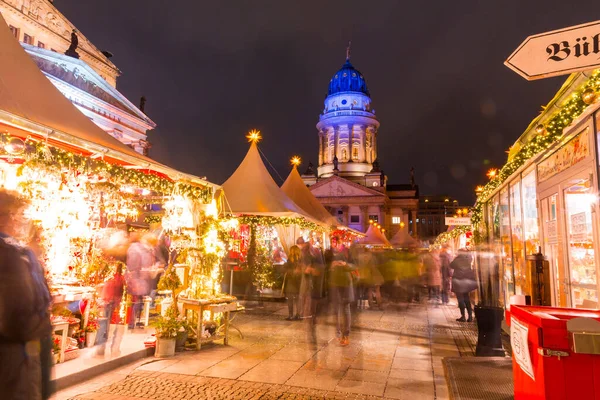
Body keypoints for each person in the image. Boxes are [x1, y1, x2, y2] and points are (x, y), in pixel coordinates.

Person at [0, 190, 52, 400]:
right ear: (6, 217)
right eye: (16, 215)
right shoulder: (14, 254)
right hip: (13, 357)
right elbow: (22, 312)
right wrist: (40, 327)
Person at [325, 236, 355, 346]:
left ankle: (345, 335)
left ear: (340, 242)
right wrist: (331, 266)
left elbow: (355, 265)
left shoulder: (347, 252)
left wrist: (345, 264)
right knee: (335, 309)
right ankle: (338, 334)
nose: (335, 244)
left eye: (336, 242)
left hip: (346, 283)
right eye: (332, 242)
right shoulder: (327, 253)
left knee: (345, 308)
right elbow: (323, 267)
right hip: (334, 283)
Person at [96, 262, 125, 356]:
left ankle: (101, 349)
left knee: (104, 325)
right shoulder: (121, 278)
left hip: (107, 302)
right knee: (116, 327)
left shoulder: (111, 278)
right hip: (115, 304)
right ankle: (114, 349)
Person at [451, 249, 477, 322]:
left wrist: (456, 257)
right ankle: (470, 316)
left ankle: (463, 316)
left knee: (460, 299)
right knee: (466, 298)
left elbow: (451, 265)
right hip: (466, 282)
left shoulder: (458, 259)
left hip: (458, 281)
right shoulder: (468, 259)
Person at [283, 245, 302, 320]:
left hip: (291, 281)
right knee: (297, 299)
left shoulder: (290, 260)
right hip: (297, 281)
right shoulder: (300, 259)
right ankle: (298, 314)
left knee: (290, 299)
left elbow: (285, 269)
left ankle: (291, 315)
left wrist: (291, 271)